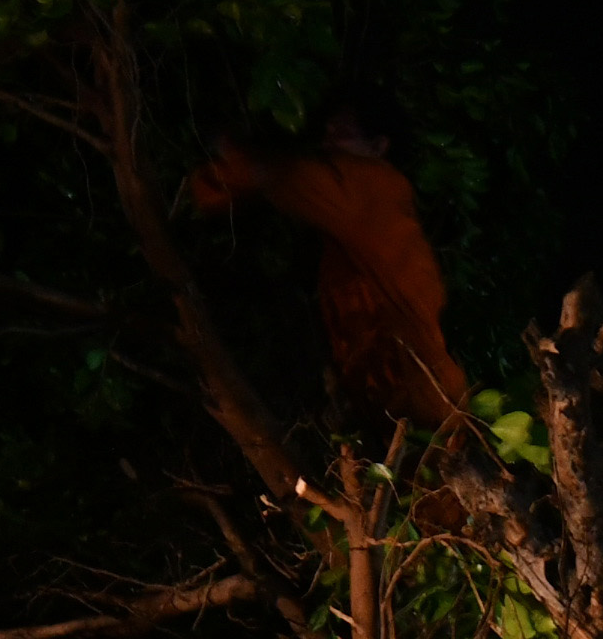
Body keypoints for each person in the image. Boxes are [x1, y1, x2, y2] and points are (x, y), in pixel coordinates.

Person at [186, 112, 471, 427]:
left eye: (345, 129)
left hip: (424, 400)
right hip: (398, 403)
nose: (330, 133)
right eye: (330, 126)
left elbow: (282, 176)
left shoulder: (374, 187)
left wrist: (226, 150)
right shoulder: (345, 229)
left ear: (379, 146)